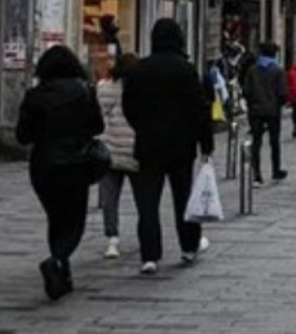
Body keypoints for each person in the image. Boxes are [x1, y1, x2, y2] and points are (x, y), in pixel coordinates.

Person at [122, 19, 215, 275]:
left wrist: (141, 127)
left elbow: (128, 105)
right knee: (183, 197)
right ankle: (188, 246)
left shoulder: (140, 70)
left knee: (148, 202)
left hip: (148, 144)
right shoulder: (185, 70)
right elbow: (199, 109)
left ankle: (150, 255)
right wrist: (205, 142)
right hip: (180, 145)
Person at [16, 46, 106, 300]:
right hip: (75, 161)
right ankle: (56, 260)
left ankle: (62, 272)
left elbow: (22, 136)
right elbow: (98, 126)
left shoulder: (34, 95)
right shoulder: (84, 91)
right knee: (74, 218)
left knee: (55, 216)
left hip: (43, 164)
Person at [96, 53, 140, 261]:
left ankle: (112, 239)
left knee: (109, 199)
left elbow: (98, 116)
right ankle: (145, 234)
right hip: (135, 151)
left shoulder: (105, 88)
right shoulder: (142, 89)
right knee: (143, 199)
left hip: (110, 150)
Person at [241, 42, 289, 185]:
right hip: (273, 111)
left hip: (256, 110)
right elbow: (283, 93)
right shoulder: (278, 71)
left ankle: (257, 174)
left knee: (256, 142)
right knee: (274, 142)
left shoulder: (252, 70)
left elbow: (246, 91)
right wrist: (278, 104)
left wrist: (252, 104)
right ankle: (276, 170)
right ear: (275, 54)